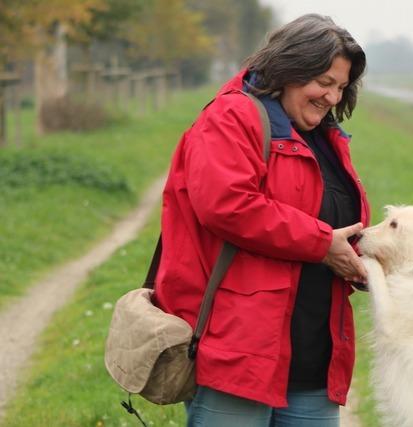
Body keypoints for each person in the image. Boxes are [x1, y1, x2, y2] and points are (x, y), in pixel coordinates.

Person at [154, 13, 370, 427]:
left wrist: (367, 260)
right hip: (237, 353)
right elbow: (228, 205)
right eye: (323, 82)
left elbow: (341, 222)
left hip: (312, 360)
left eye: (340, 87)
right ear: (291, 68)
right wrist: (323, 244)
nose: (331, 97)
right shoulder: (231, 118)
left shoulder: (325, 138)